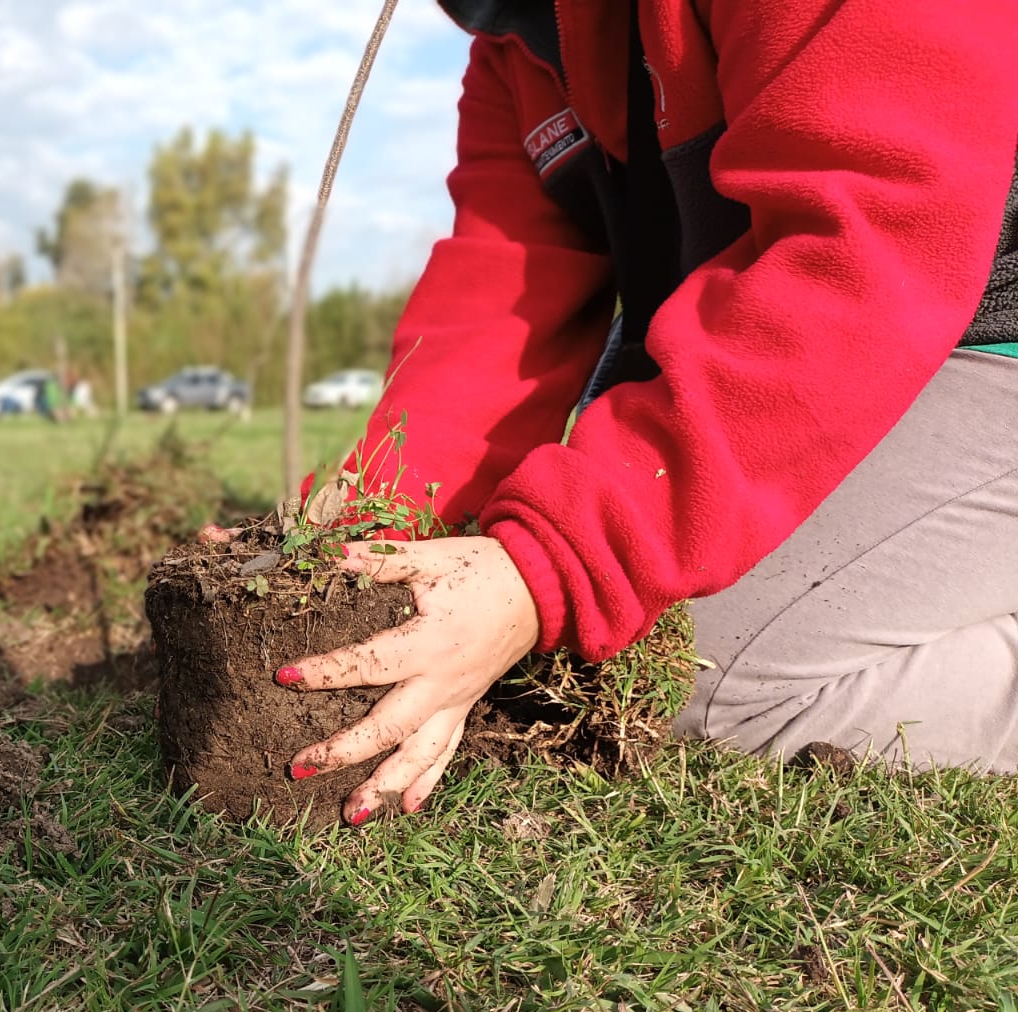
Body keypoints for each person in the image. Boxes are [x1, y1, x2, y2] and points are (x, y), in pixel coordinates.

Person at [267, 0, 1018, 826]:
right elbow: (508, 282)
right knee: (606, 640)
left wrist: (552, 563)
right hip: (838, 339)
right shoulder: (514, 34)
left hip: (961, 321)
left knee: (703, 681)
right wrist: (383, 520)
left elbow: (870, 239)